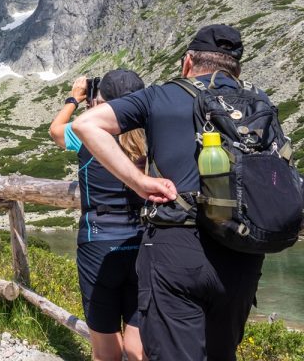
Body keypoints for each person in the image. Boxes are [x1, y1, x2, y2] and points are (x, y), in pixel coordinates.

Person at [73, 25, 265, 360]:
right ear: (237, 68)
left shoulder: (161, 96)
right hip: (243, 249)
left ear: (188, 62)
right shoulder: (258, 101)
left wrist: (139, 182)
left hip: (177, 248)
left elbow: (85, 125)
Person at [49, 70, 147, 361]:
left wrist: (75, 98)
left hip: (99, 243)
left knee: (106, 350)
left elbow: (56, 131)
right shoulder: (152, 134)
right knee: (138, 346)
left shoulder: (88, 134)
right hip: (143, 241)